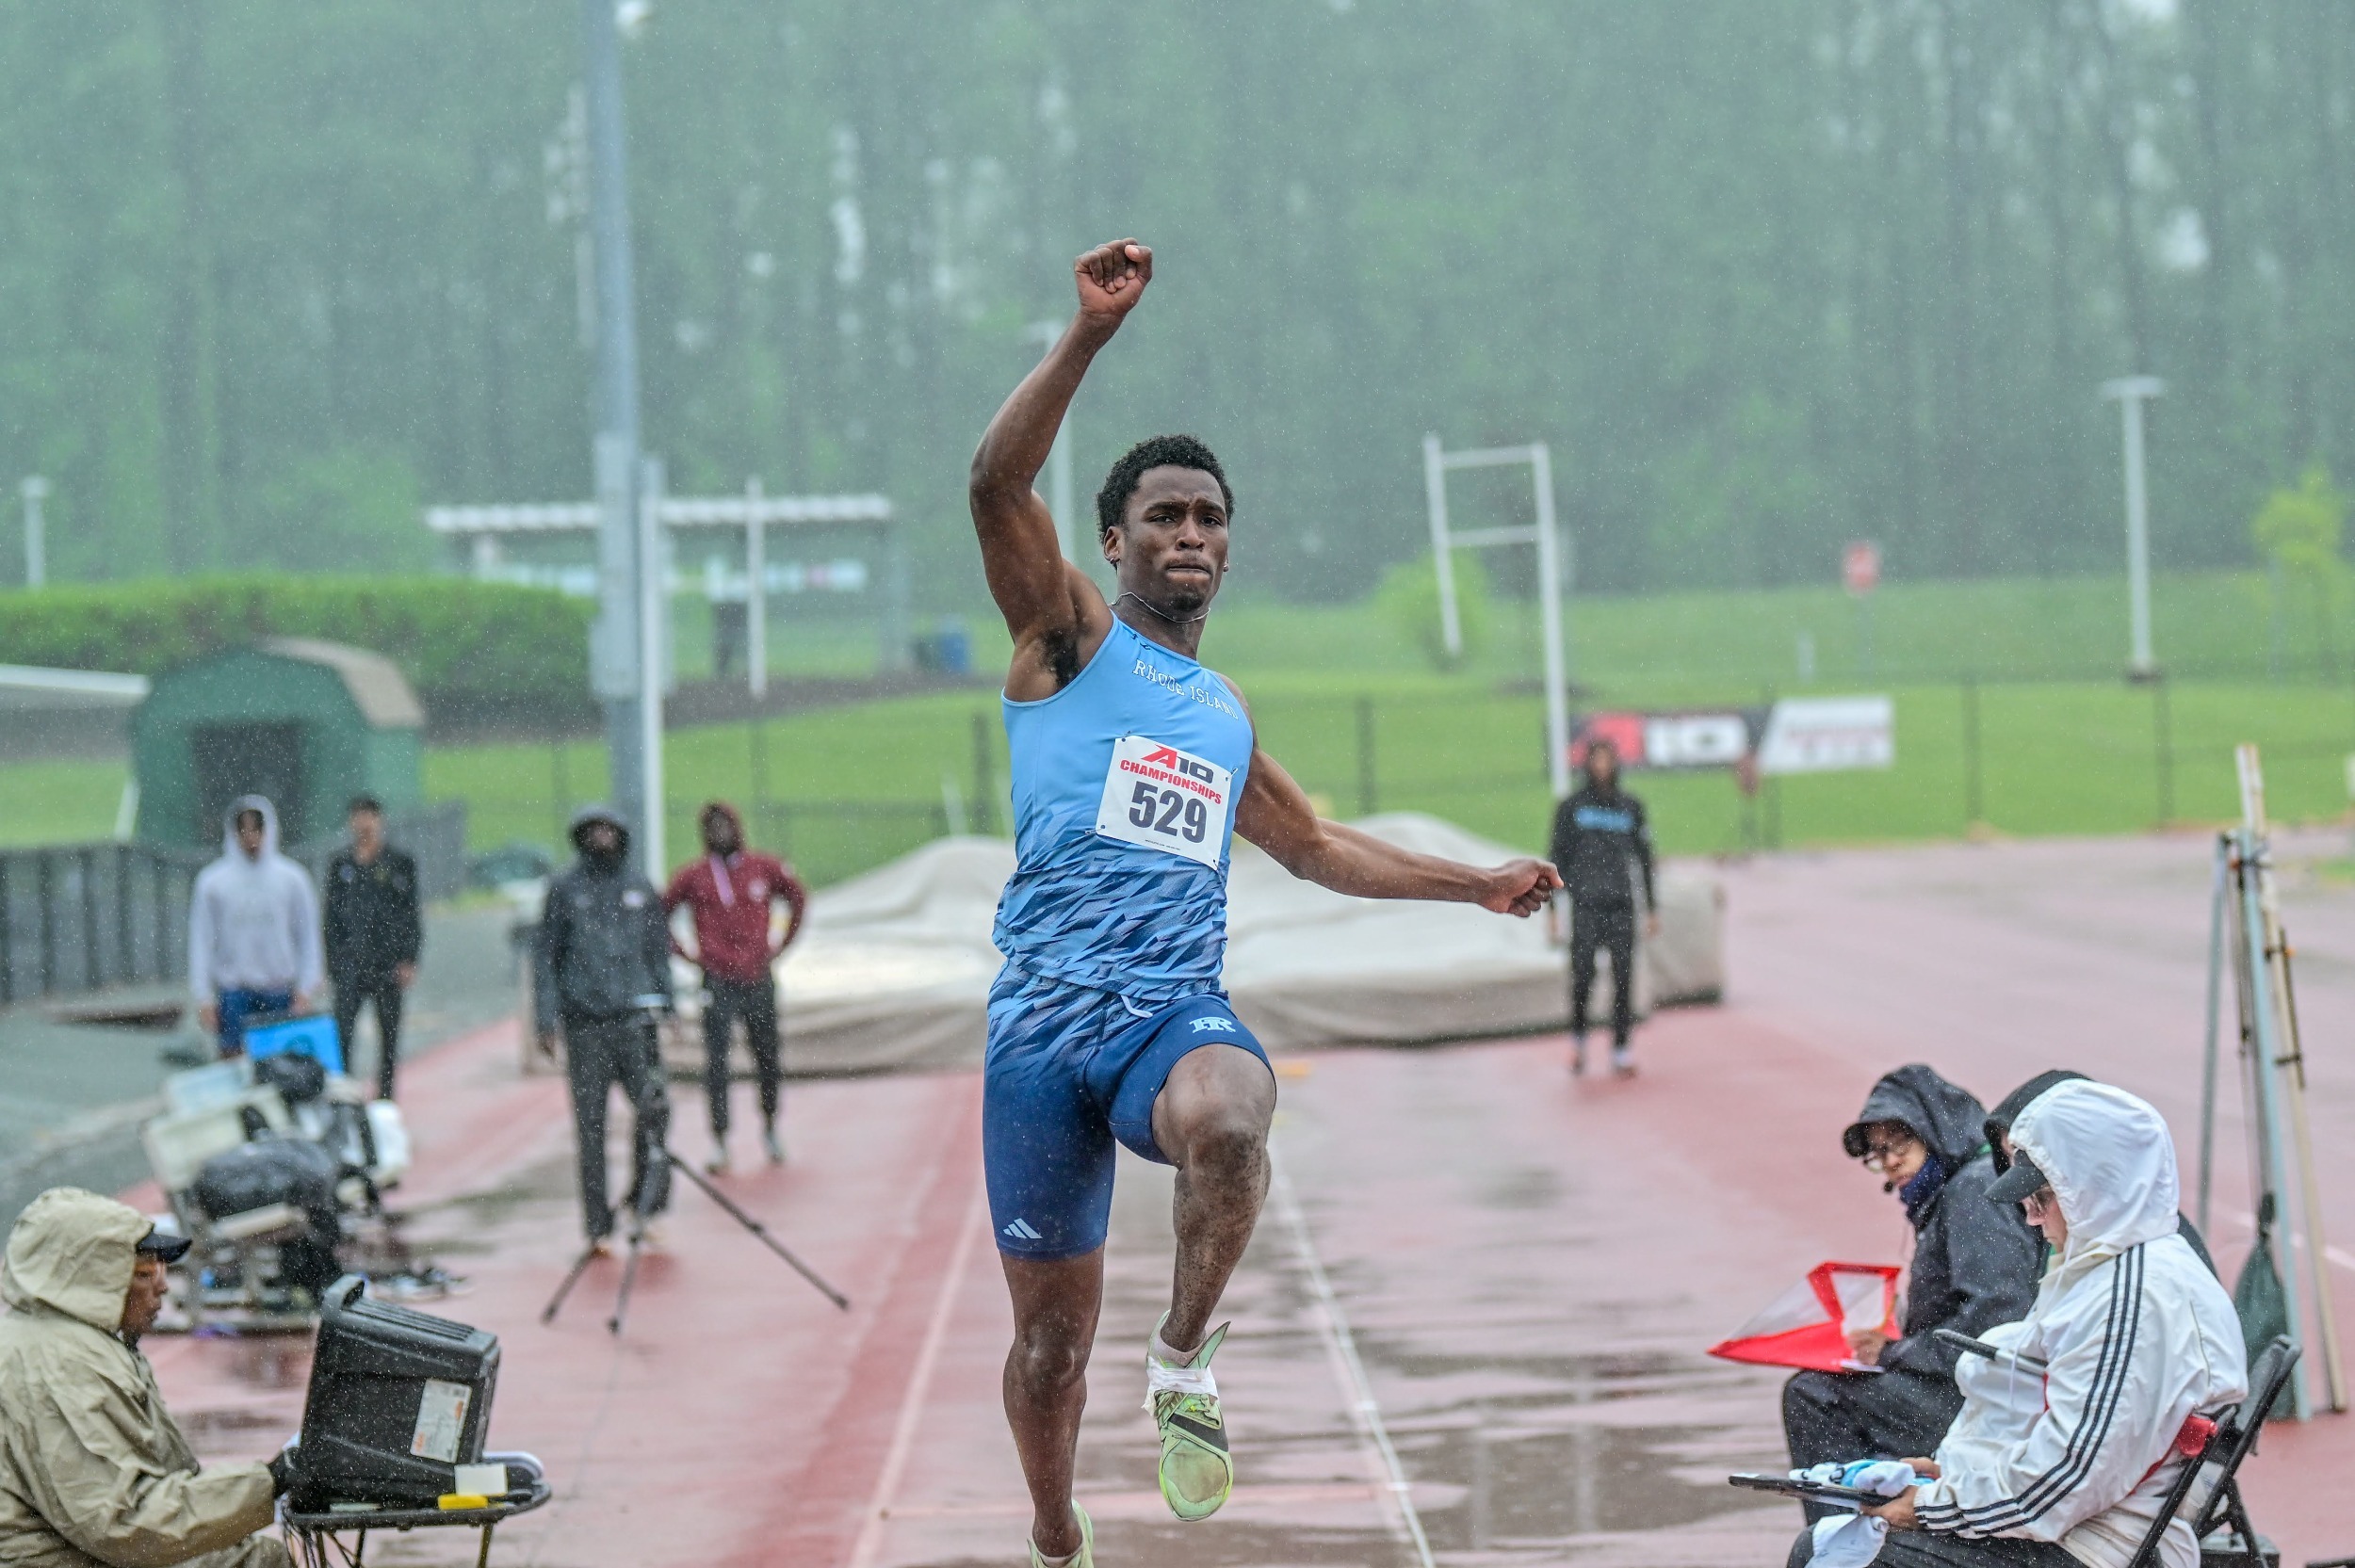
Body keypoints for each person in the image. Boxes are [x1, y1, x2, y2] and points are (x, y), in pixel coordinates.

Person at [967, 237, 1562, 1568]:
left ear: (1227, 548)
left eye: (1209, 519)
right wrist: (1087, 338)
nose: (1190, 536)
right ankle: (1057, 1529)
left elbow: (1312, 845)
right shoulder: (1067, 641)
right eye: (1165, 518)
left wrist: (1476, 882)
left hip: (1165, 1018)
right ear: (1114, 541)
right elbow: (994, 482)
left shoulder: (1223, 716)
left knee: (1231, 1119)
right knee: (1048, 1351)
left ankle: (1181, 1358)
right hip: (1039, 1039)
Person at [1792, 1081, 2249, 1567]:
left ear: (2094, 1187)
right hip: (2083, 1527)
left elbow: (2065, 1481)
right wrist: (1954, 1473)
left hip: (2093, 1547)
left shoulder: (2133, 1299)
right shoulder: (2118, 1267)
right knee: (1835, 1539)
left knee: (1838, 1550)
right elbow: (2076, 1451)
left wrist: (1931, 1506)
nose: (2031, 1217)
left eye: (2042, 1198)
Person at [1784, 1066, 2041, 1508]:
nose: (1889, 1162)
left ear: (1936, 1130)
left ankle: (1844, 1540)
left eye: (1899, 1144)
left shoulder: (1973, 1191)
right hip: (1974, 1388)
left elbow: (1998, 1319)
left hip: (1990, 1404)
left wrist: (1891, 1352)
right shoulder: (1957, 1191)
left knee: (1814, 1397)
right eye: (1877, 1154)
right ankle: (1877, 1523)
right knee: (1828, 1389)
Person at [0, 1188, 298, 1568]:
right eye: (143, 1273)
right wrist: (272, 1480)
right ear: (93, 1283)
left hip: (74, 1550)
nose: (162, 1285)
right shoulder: (62, 1368)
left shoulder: (67, 1341)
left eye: (161, 1269)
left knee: (254, 1557)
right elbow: (125, 1525)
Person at [534, 806, 674, 1251]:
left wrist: (666, 1001)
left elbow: (658, 949)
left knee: (654, 1111)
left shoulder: (638, 887)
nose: (601, 839)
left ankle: (645, 1204)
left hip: (634, 1024)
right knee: (590, 1129)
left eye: (609, 831)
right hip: (585, 1026)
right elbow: (546, 958)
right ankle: (597, 1226)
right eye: (592, 832)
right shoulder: (564, 890)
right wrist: (546, 1018)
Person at [664, 800, 808, 1172]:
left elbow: (797, 896)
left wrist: (781, 944)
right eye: (712, 828)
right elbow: (658, 914)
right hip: (717, 980)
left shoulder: (760, 867)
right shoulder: (695, 876)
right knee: (716, 1062)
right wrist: (688, 954)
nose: (720, 834)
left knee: (768, 1056)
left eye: (725, 826)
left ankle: (771, 1125)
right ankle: (720, 1139)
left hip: (758, 976)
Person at [1984, 1070, 2217, 1276]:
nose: (2032, 1215)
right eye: (2010, 1157)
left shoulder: (2141, 1274)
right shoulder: (2086, 1235)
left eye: (2024, 1155)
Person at [1547, 736, 1656, 1076]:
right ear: (1588, 764)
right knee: (1583, 976)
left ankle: (1621, 1048)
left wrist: (1652, 907)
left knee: (1624, 978)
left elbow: (1645, 858)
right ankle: (1578, 1039)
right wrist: (1551, 909)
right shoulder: (1571, 807)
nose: (1602, 766)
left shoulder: (1630, 806)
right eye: (1597, 759)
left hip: (1621, 904)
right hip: (1587, 904)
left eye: (1608, 759)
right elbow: (1556, 858)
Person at [188, 797, 322, 1058]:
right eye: (244, 830)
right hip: (235, 991)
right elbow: (201, 941)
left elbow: (307, 935)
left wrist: (306, 986)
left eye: (256, 829)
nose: (250, 838)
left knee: (282, 1066)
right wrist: (203, 996)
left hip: (279, 990)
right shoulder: (213, 882)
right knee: (234, 1061)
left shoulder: (292, 879)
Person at [323, 796, 423, 1102]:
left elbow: (410, 914)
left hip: (387, 963)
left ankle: (385, 1101)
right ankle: (345, 1099)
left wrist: (409, 958)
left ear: (380, 820)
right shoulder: (341, 865)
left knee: (389, 1039)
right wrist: (334, 964)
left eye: (369, 816)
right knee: (343, 1037)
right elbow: (330, 918)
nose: (363, 823)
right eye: (358, 817)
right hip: (351, 963)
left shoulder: (399, 864)